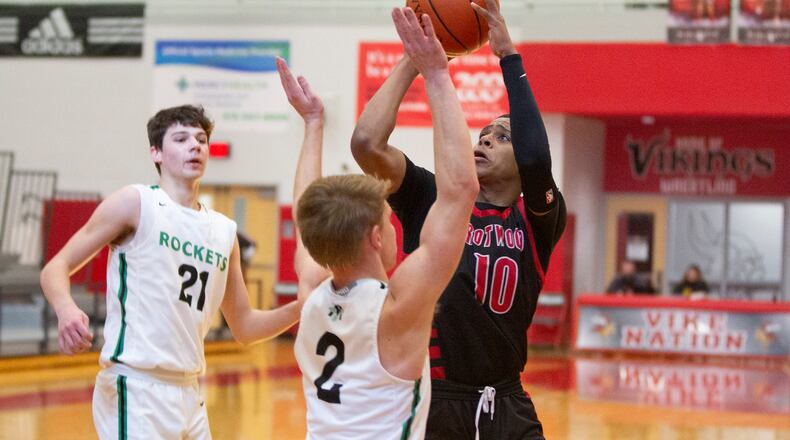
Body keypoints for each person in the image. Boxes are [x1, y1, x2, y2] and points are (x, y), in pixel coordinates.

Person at [350, 1, 566, 438]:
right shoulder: (433, 197)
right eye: (483, 133)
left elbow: (538, 155)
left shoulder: (535, 218)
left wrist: (508, 56)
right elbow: (367, 143)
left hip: (508, 403)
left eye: (501, 137)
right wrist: (414, 60)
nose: (485, 138)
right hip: (436, 399)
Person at [39, 104, 301, 439]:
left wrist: (299, 308)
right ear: (156, 152)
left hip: (190, 391)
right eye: (181, 139)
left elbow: (245, 326)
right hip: (136, 385)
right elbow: (55, 268)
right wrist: (66, 309)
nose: (195, 145)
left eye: (201, 139)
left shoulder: (223, 231)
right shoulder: (135, 203)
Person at [281, 7, 478, 439]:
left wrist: (314, 125)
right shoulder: (397, 308)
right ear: (375, 238)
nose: (394, 230)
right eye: (389, 222)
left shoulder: (312, 292)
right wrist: (437, 75)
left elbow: (304, 214)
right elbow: (461, 191)